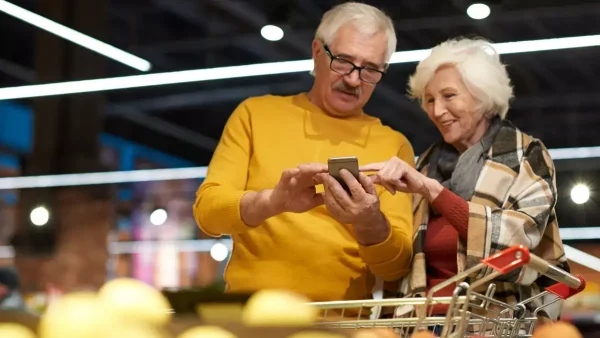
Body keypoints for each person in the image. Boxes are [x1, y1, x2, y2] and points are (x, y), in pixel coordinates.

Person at [194, 2, 414, 305]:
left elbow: (396, 267)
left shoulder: (393, 146)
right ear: (317, 51)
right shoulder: (255, 115)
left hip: (341, 326)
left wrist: (369, 220)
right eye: (343, 61)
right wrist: (272, 201)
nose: (353, 79)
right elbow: (208, 214)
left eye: (370, 70)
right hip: (251, 319)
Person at [359, 37, 569, 324]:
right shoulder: (425, 164)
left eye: (449, 96)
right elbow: (405, 264)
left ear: (483, 97)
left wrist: (434, 192)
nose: (436, 110)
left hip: (498, 324)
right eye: (429, 99)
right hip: (423, 327)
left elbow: (515, 245)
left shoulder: (524, 154)